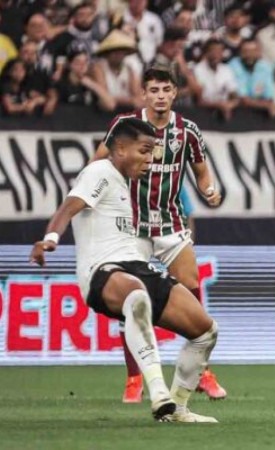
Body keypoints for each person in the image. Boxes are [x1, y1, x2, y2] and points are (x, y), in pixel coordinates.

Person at [30, 117, 218, 423]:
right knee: (137, 297)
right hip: (102, 270)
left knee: (206, 331)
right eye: (144, 151)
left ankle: (179, 410)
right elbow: (68, 208)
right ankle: (158, 393)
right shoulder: (99, 171)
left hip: (137, 267)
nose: (150, 160)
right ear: (119, 148)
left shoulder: (130, 183)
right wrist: (50, 239)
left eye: (152, 152)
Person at [92, 66, 227, 403]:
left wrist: (210, 191)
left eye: (166, 89)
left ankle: (201, 372)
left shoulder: (188, 131)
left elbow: (201, 172)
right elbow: (98, 163)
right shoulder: (126, 127)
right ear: (144, 94)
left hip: (170, 224)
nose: (160, 96)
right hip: (132, 226)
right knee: (130, 300)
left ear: (175, 93)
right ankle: (134, 378)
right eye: (154, 90)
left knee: (192, 286)